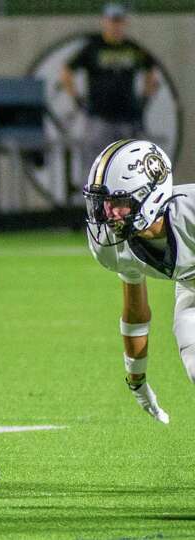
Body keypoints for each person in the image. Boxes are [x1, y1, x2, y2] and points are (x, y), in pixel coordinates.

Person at [83, 139, 189, 424]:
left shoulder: (189, 215)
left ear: (151, 195)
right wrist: (136, 377)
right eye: (102, 203)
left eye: (117, 202)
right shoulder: (112, 246)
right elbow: (135, 312)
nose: (107, 214)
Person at [61, 3, 158, 182]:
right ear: (105, 22)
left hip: (128, 117)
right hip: (100, 117)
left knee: (129, 166)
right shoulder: (93, 47)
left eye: (119, 21)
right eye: (113, 21)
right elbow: (67, 70)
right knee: (96, 167)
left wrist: (144, 99)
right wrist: (76, 99)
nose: (116, 26)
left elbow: (151, 71)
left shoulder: (132, 48)